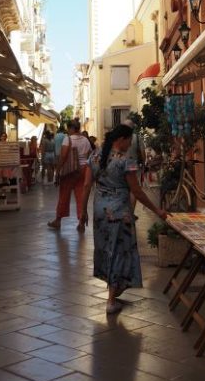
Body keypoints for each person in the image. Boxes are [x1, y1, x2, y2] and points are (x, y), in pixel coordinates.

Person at [80, 124, 167, 314]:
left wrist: (82, 212)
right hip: (119, 212)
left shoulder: (94, 156)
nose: (130, 144)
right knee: (119, 251)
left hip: (100, 210)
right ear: (122, 139)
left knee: (105, 249)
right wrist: (156, 210)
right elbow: (137, 191)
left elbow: (87, 185)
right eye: (129, 140)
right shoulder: (125, 160)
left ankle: (115, 288)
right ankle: (111, 300)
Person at [47, 119, 91, 231]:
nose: (67, 130)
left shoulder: (68, 139)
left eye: (68, 128)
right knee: (81, 196)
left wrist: (58, 171)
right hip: (83, 169)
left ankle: (58, 220)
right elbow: (90, 155)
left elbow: (63, 156)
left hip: (70, 172)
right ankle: (81, 222)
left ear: (71, 128)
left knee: (64, 195)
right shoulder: (86, 140)